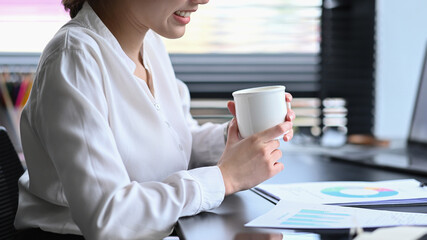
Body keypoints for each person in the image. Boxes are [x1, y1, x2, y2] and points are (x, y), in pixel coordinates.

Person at [14, 0, 295, 239]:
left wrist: (243, 134)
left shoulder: (150, 45)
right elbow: (108, 218)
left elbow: (177, 142)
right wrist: (225, 178)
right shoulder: (74, 59)